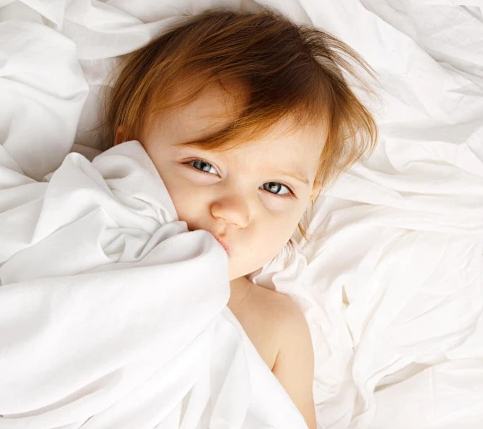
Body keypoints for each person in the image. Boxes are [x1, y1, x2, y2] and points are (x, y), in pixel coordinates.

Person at [106, 8, 378, 428]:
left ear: (308, 200)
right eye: (203, 166)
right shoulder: (92, 235)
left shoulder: (278, 326)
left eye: (274, 188)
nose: (233, 211)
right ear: (128, 151)